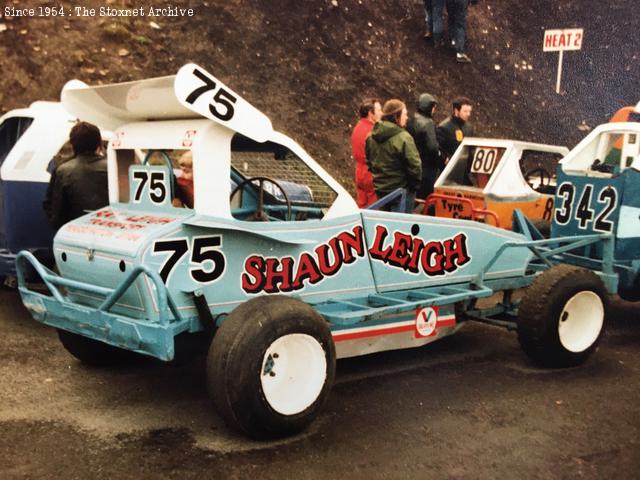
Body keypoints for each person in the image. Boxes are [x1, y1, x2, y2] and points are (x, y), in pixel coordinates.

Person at [44, 121, 108, 230]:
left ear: (73, 145)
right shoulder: (113, 167)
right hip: (109, 232)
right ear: (99, 144)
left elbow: (56, 213)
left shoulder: (62, 171)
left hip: (75, 234)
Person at [365, 99, 422, 213]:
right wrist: (413, 186)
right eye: (404, 114)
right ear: (396, 116)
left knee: (383, 227)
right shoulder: (404, 138)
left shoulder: (370, 138)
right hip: (401, 193)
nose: (407, 118)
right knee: (401, 228)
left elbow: (369, 162)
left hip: (380, 191)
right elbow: (415, 167)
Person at [407, 93, 442, 199]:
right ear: (428, 107)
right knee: (427, 197)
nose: (434, 110)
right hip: (427, 166)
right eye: (433, 108)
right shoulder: (428, 123)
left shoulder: (412, 119)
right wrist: (440, 156)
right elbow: (432, 147)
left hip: (414, 163)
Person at [351, 98, 382, 208]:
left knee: (361, 205)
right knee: (374, 208)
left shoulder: (357, 128)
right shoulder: (374, 130)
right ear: (370, 113)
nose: (381, 113)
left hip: (359, 171)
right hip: (371, 173)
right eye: (378, 110)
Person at [437, 96, 474, 161]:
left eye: (469, 111)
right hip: (450, 166)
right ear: (456, 111)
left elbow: (471, 149)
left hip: (465, 166)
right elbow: (437, 149)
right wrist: (445, 159)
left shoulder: (469, 128)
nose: (468, 114)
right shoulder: (444, 127)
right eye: (465, 111)